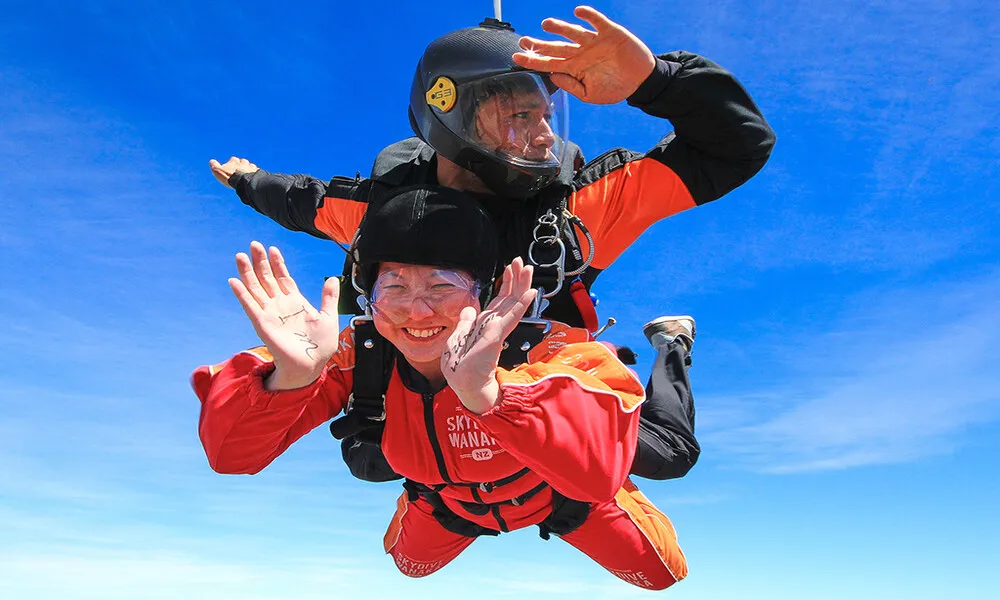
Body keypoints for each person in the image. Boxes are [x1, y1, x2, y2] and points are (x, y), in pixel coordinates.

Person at [208, 6, 776, 483]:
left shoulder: (576, 210)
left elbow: (734, 149)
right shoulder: (384, 215)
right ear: (450, 110)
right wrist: (246, 180)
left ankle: (670, 344)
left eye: (548, 114)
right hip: (429, 381)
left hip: (545, 384)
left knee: (663, 457)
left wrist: (656, 81)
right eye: (520, 115)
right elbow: (301, 201)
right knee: (369, 459)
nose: (547, 133)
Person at [193, 186, 688, 590]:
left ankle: (673, 346)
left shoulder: (545, 347)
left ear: (483, 294)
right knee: (409, 569)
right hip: (447, 504)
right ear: (369, 299)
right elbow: (232, 455)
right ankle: (423, 469)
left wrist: (493, 396)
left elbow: (597, 473)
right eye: (394, 287)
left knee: (662, 570)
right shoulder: (355, 350)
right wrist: (291, 380)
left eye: (442, 285)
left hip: (559, 499)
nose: (418, 311)